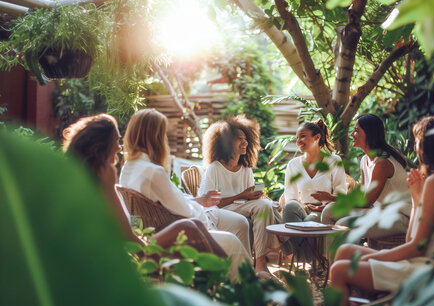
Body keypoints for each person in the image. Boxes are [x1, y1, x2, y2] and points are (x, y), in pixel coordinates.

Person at [329, 116, 434, 306]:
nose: (414, 146)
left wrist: (375, 258)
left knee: (339, 269)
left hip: (429, 270)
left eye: (416, 140)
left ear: (426, 145)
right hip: (426, 261)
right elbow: (411, 238)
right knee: (345, 252)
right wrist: (415, 199)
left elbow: (417, 247)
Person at [117, 109, 253, 280]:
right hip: (177, 234)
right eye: (163, 133)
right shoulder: (153, 172)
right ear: (155, 136)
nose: (165, 138)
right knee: (232, 241)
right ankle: (246, 284)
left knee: (239, 223)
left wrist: (196, 201)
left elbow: (167, 202)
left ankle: (247, 277)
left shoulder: (128, 169)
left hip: (158, 230)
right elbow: (185, 211)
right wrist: (204, 214)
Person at [62, 114, 226, 255]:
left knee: (193, 225)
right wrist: (145, 248)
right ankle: (229, 281)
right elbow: (126, 233)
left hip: (121, 241)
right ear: (102, 145)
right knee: (190, 226)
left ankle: (226, 282)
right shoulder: (105, 174)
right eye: (116, 141)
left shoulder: (80, 174)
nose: (119, 148)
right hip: (121, 248)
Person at [199, 115, 278, 274]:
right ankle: (244, 268)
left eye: (246, 139)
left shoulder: (245, 169)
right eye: (239, 139)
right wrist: (241, 195)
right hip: (218, 212)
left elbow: (248, 197)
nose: (245, 143)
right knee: (247, 218)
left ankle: (261, 263)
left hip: (240, 208)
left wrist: (255, 196)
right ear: (227, 142)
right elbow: (210, 203)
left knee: (265, 206)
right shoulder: (215, 168)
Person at [331, 114, 411, 238]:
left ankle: (344, 256)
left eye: (356, 130)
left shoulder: (382, 163)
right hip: (381, 211)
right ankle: (326, 257)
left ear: (369, 133)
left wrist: (333, 198)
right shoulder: (364, 160)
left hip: (400, 217)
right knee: (328, 212)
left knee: (343, 224)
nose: (352, 134)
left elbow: (365, 202)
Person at [282, 119, 347, 225]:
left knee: (310, 220)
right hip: (302, 209)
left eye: (302, 136)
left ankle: (297, 241)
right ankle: (297, 239)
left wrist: (327, 204)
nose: (298, 142)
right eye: (297, 138)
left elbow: (341, 194)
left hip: (324, 211)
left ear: (317, 137)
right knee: (290, 207)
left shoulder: (334, 161)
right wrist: (304, 207)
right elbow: (291, 197)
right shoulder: (293, 164)